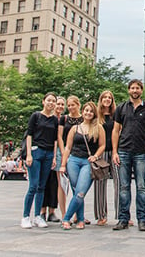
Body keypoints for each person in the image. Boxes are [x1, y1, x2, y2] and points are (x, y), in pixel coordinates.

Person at [112, 79, 145, 232]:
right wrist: (114, 151)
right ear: (129, 90)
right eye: (132, 88)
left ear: (141, 90)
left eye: (137, 88)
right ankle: (123, 219)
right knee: (124, 187)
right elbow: (115, 130)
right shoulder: (121, 108)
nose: (135, 91)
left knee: (141, 187)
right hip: (123, 151)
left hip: (141, 152)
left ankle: (142, 219)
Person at [60, 101, 106, 230]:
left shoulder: (98, 128)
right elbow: (68, 147)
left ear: (94, 113)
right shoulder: (75, 128)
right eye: (86, 110)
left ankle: (66, 218)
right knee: (76, 191)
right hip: (73, 161)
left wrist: (95, 156)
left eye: (91, 111)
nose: (88, 113)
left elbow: (102, 145)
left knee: (80, 192)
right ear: (83, 112)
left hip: (88, 162)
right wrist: (63, 165)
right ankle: (80, 219)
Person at [21, 92, 59, 229]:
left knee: (42, 186)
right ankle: (26, 216)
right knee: (33, 185)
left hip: (48, 153)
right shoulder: (36, 116)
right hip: (36, 151)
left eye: (53, 101)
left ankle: (38, 216)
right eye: (49, 100)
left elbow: (55, 139)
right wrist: (29, 154)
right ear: (43, 101)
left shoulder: (55, 120)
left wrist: (54, 156)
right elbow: (29, 135)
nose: (51, 103)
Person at [93, 90, 120, 226]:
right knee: (100, 184)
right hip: (101, 153)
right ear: (101, 99)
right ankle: (101, 215)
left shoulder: (117, 115)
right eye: (105, 97)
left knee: (119, 183)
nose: (107, 99)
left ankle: (122, 215)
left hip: (115, 151)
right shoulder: (96, 117)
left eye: (110, 97)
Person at [57, 95, 84, 223]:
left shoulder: (84, 118)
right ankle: (64, 213)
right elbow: (60, 137)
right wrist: (63, 154)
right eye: (69, 105)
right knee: (63, 185)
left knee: (78, 187)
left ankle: (77, 214)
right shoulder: (64, 118)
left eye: (73, 104)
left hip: (80, 154)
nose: (70, 107)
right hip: (66, 153)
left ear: (78, 105)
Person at [41, 95, 65, 222]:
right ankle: (42, 210)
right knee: (45, 181)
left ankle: (52, 211)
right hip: (48, 152)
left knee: (55, 184)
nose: (60, 106)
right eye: (58, 104)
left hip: (59, 154)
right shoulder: (49, 118)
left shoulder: (63, 119)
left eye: (62, 104)